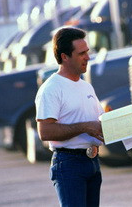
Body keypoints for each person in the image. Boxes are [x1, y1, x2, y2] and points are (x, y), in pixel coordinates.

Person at [35, 27, 104, 207]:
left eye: (87, 52)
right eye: (81, 53)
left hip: (93, 162)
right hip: (69, 164)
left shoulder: (86, 86)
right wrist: (84, 127)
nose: (87, 57)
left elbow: (100, 121)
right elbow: (45, 131)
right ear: (65, 56)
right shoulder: (51, 89)